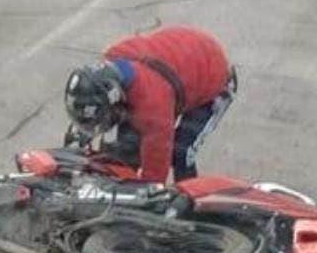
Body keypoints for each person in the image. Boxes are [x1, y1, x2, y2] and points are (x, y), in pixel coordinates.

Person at [63, 26, 237, 184]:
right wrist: (81, 133)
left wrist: (148, 192)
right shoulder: (111, 62)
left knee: (181, 152)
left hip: (213, 80)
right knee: (124, 149)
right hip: (182, 58)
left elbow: (155, 172)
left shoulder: (153, 109)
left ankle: (190, 203)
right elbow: (91, 101)